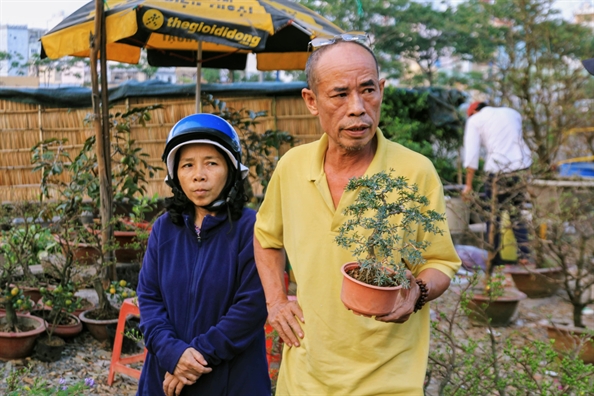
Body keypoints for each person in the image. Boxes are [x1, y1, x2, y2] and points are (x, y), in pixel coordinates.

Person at [253, 35, 461, 395]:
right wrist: (275, 301)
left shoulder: (415, 172)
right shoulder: (291, 167)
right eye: (339, 94)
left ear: (381, 90)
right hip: (303, 376)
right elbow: (267, 239)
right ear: (311, 101)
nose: (357, 108)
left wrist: (418, 293)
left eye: (367, 90)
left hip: (388, 379)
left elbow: (440, 261)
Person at [137, 113, 271, 396]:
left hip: (231, 381)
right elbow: (149, 299)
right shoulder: (164, 229)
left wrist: (192, 358)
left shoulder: (253, 228)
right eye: (188, 165)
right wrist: (172, 354)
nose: (199, 174)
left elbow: (252, 306)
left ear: (231, 170)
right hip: (164, 378)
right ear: (176, 176)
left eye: (211, 163)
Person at [462, 102, 533, 266]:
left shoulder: (475, 120)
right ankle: (524, 255)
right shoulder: (512, 112)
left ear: (473, 112)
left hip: (498, 171)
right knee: (516, 213)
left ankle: (494, 260)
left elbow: (471, 155)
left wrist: (468, 186)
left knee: (492, 217)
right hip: (521, 168)